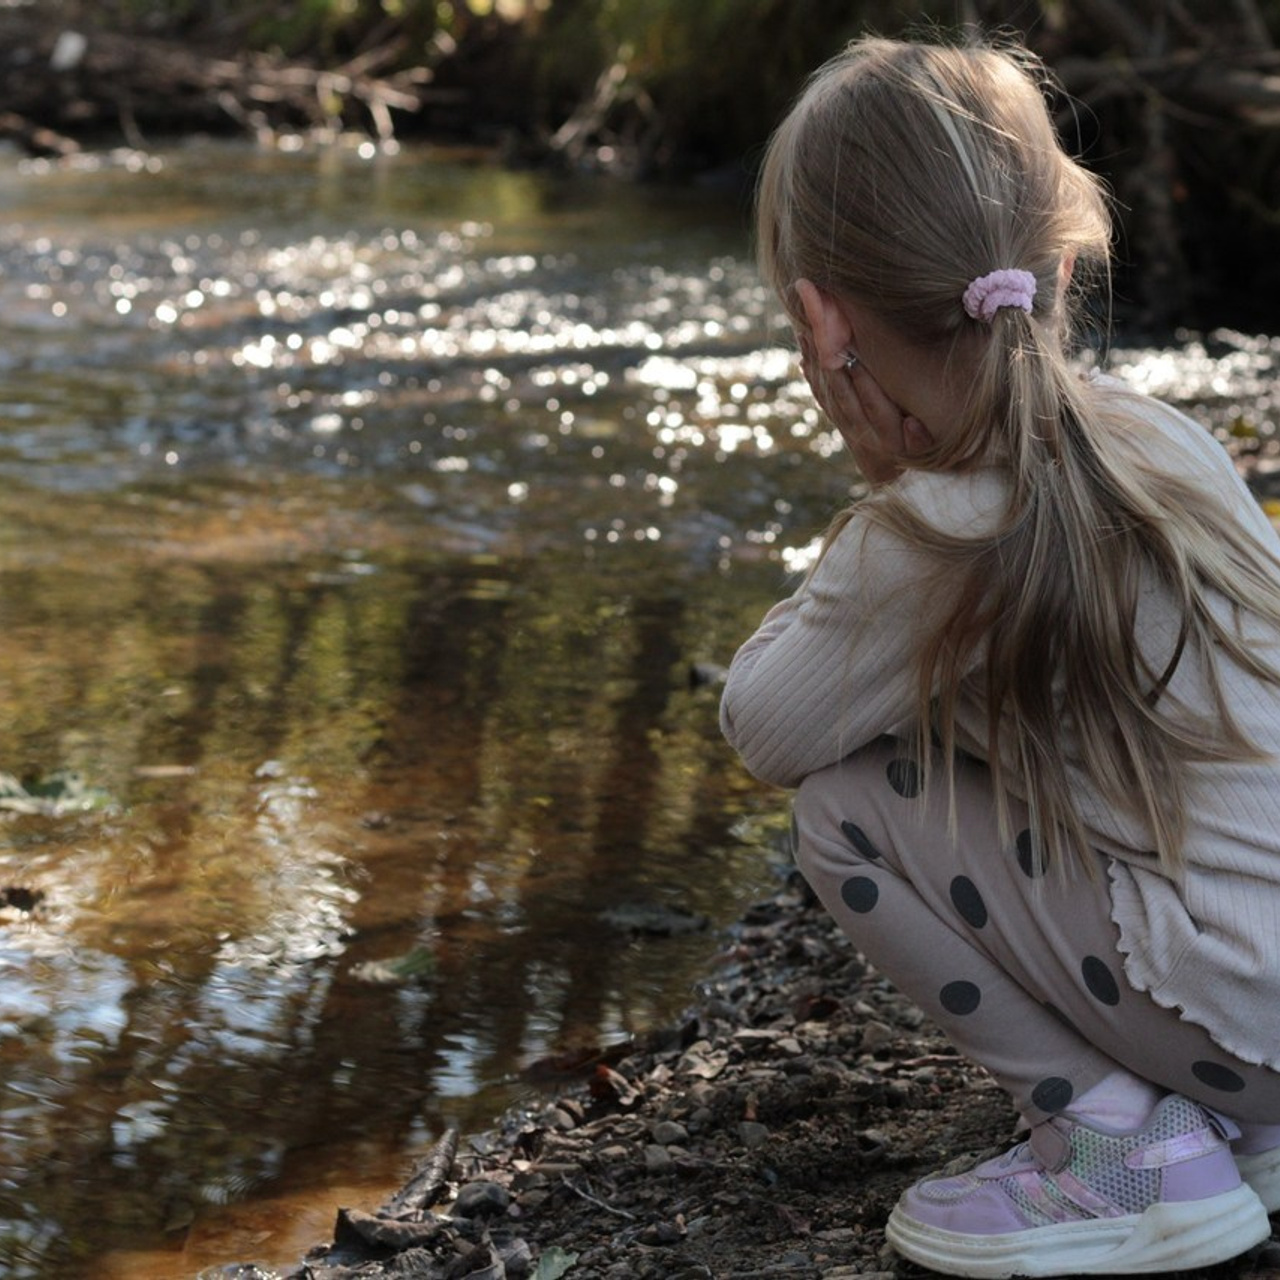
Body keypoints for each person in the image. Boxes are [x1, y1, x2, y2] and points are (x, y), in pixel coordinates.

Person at [720, 34, 1280, 1279]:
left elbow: (763, 725)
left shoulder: (930, 523)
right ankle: (1245, 1122)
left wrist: (886, 486)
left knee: (847, 808)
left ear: (821, 321)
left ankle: (1116, 1150)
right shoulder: (1166, 441)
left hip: (1247, 1013)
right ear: (1061, 253)